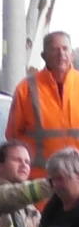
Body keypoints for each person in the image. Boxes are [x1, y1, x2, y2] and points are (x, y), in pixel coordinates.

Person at [6, 30, 79, 179]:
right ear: (44, 56)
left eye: (65, 49)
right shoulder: (26, 89)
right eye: (55, 49)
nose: (61, 54)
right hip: (40, 181)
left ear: (72, 54)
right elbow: (12, 136)